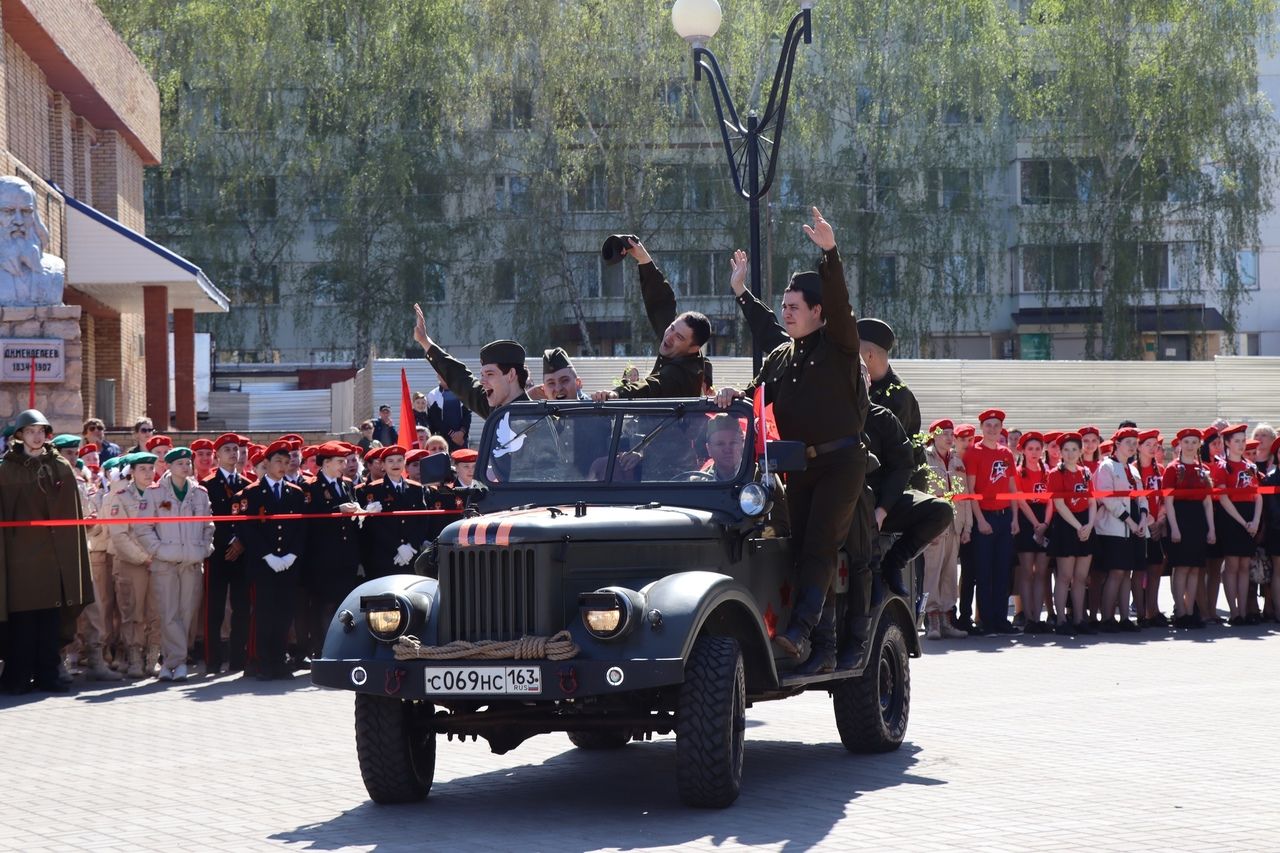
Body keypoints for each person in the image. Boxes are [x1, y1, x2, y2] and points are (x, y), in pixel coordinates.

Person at [715, 207, 867, 663]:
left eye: (794, 307)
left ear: (817, 312)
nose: (786, 313)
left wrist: (830, 254)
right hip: (801, 466)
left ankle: (802, 634)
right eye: (784, 307)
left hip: (841, 463)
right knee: (799, 549)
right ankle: (816, 642)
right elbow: (754, 395)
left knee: (820, 544)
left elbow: (840, 306)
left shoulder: (839, 346)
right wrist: (728, 394)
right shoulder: (783, 356)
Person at [0, 410, 95, 694]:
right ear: (19, 436)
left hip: (53, 559)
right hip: (19, 559)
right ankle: (17, 677)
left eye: (41, 430)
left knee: (49, 622)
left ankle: (47, 675)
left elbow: (69, 514)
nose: (36, 436)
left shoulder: (60, 466)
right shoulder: (6, 469)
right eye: (30, 431)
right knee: (23, 624)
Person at [592, 238, 709, 400]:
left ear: (693, 348)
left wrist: (617, 393)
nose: (669, 336)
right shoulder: (678, 346)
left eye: (679, 337)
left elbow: (650, 387)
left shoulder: (681, 374)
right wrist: (643, 259)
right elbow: (663, 305)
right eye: (673, 328)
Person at [135, 447, 214, 681]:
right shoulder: (154, 493)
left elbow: (209, 526)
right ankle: (177, 662)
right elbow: (142, 528)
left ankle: (171, 662)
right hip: (165, 563)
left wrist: (204, 548)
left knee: (186, 613)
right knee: (169, 613)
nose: (185, 466)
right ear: (168, 466)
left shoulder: (199, 493)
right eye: (179, 463)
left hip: (191, 561)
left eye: (187, 462)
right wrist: (159, 550)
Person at [234, 440, 307, 680]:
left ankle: (279, 660)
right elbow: (248, 529)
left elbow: (301, 527)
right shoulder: (252, 492)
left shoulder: (295, 492)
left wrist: (291, 555)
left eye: (287, 462)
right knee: (264, 614)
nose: (283, 466)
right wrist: (268, 555)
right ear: (266, 463)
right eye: (278, 461)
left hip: (288, 563)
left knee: (284, 613)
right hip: (263, 564)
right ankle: (263, 662)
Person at [300, 442, 363, 662]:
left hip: (345, 556)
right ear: (325, 463)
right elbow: (310, 517)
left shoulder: (346, 485)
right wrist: (337, 510)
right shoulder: (310, 487)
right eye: (339, 461)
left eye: (345, 461)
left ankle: (343, 649)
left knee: (343, 604)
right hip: (322, 557)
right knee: (323, 606)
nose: (343, 465)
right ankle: (322, 650)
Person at [105, 452, 161, 677]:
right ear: (132, 472)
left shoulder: (159, 494)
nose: (148, 473)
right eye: (142, 469)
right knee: (133, 611)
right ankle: (135, 657)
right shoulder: (121, 496)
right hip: (133, 562)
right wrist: (143, 558)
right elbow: (119, 535)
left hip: (158, 561)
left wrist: (158, 556)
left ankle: (153, 656)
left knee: (157, 611)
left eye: (151, 468)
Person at [965, 409, 1019, 634]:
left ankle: (1000, 618)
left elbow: (1012, 487)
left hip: (1005, 517)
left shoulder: (1006, 453)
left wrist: (1015, 518)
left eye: (997, 426)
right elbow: (971, 489)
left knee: (1002, 570)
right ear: (982, 428)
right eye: (988, 425)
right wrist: (980, 520)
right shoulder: (973, 453)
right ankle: (986, 619)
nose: (993, 429)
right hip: (984, 517)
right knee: (984, 571)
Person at [202, 433, 250, 674]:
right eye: (228, 449)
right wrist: (227, 542)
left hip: (241, 554)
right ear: (217, 455)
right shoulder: (207, 485)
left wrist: (240, 542)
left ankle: (237, 659)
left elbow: (250, 520)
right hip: (217, 553)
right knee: (215, 608)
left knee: (242, 608)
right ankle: (212, 660)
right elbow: (207, 521)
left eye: (236, 449)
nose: (234, 453)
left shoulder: (247, 485)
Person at [859, 317, 925, 490]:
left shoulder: (898, 396)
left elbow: (891, 455)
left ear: (869, 355)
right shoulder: (861, 386)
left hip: (896, 492)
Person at [1093, 429, 1148, 632]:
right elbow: (1108, 499)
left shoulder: (1133, 469)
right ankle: (1107, 618)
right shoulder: (1106, 466)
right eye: (1128, 442)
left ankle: (1125, 617)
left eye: (1135, 442)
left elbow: (1142, 496)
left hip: (1135, 526)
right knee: (1116, 572)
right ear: (1117, 444)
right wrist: (1130, 522)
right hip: (1115, 529)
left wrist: (1142, 518)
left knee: (1127, 573)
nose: (1132, 446)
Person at [921, 419, 970, 640]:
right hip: (934, 524)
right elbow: (919, 494)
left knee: (950, 572)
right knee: (932, 572)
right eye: (944, 434)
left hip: (955, 523)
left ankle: (947, 619)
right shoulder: (925, 458)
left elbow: (965, 495)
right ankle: (931, 621)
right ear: (933, 435)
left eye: (951, 434)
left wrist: (967, 526)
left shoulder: (956, 460)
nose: (950, 437)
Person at [1164, 428, 1216, 628]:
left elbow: (1208, 502)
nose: (1190, 446)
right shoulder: (1173, 468)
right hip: (1180, 517)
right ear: (1179, 445)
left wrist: (1211, 529)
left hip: (1198, 520)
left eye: (1194, 442)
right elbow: (1168, 501)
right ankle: (1181, 611)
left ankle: (1191, 609)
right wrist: (1174, 528)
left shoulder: (1203, 469)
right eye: (1187, 442)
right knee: (1181, 567)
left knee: (1195, 568)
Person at [1047, 433, 1096, 635]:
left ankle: (1078, 618)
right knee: (1065, 576)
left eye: (1074, 449)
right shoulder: (1055, 473)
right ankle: (1060, 619)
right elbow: (1059, 504)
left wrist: (1090, 525)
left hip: (1085, 524)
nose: (1070, 453)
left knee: (1081, 577)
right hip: (1067, 525)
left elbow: (1093, 501)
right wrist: (1078, 527)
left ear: (1080, 451)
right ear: (1060, 452)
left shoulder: (1085, 472)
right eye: (1066, 449)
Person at [1212, 423, 1261, 626]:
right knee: (1232, 565)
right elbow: (1223, 498)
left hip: (1250, 516)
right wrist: (1243, 522)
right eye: (1237, 441)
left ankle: (1243, 610)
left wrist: (1256, 521)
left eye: (1243, 440)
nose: (1241, 445)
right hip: (1232, 518)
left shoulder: (1250, 467)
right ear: (1227, 443)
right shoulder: (1221, 467)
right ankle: (1234, 612)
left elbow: (1258, 495)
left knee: (1244, 565)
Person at [360, 445, 429, 579]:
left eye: (399, 460)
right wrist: (398, 547)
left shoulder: (415, 488)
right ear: (383, 465)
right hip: (385, 556)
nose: (395, 464)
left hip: (411, 555)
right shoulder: (374, 489)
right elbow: (374, 525)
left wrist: (411, 546)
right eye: (390, 461)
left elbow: (423, 519)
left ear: (404, 462)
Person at [1013, 432, 1053, 633]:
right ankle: (1028, 618)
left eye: (1038, 448)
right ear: (1023, 451)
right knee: (1027, 572)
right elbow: (1020, 500)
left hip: (1045, 520)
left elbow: (1051, 500)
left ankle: (1038, 618)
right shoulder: (1018, 472)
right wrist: (1036, 523)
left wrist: (1045, 523)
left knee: (1041, 573)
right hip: (1027, 519)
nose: (1035, 452)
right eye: (1030, 449)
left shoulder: (1048, 472)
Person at [1134, 429, 1167, 626]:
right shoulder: (1132, 469)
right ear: (1139, 447)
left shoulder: (1160, 470)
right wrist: (1149, 521)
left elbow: (1164, 499)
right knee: (1138, 571)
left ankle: (1152, 610)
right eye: (1149, 445)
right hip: (1139, 525)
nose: (1153, 449)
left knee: (1155, 568)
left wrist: (1160, 521)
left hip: (1156, 526)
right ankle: (1139, 613)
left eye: (1156, 445)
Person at [426, 375, 471, 452]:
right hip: (441, 442)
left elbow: (467, 415)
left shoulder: (463, 393)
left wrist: (462, 432)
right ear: (438, 376)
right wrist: (453, 434)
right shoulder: (433, 395)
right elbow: (435, 420)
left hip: (461, 439)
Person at [702, 415, 746, 481]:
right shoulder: (700, 482)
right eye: (720, 444)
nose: (727, 450)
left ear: (742, 444)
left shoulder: (759, 477)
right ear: (709, 449)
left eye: (733, 443)